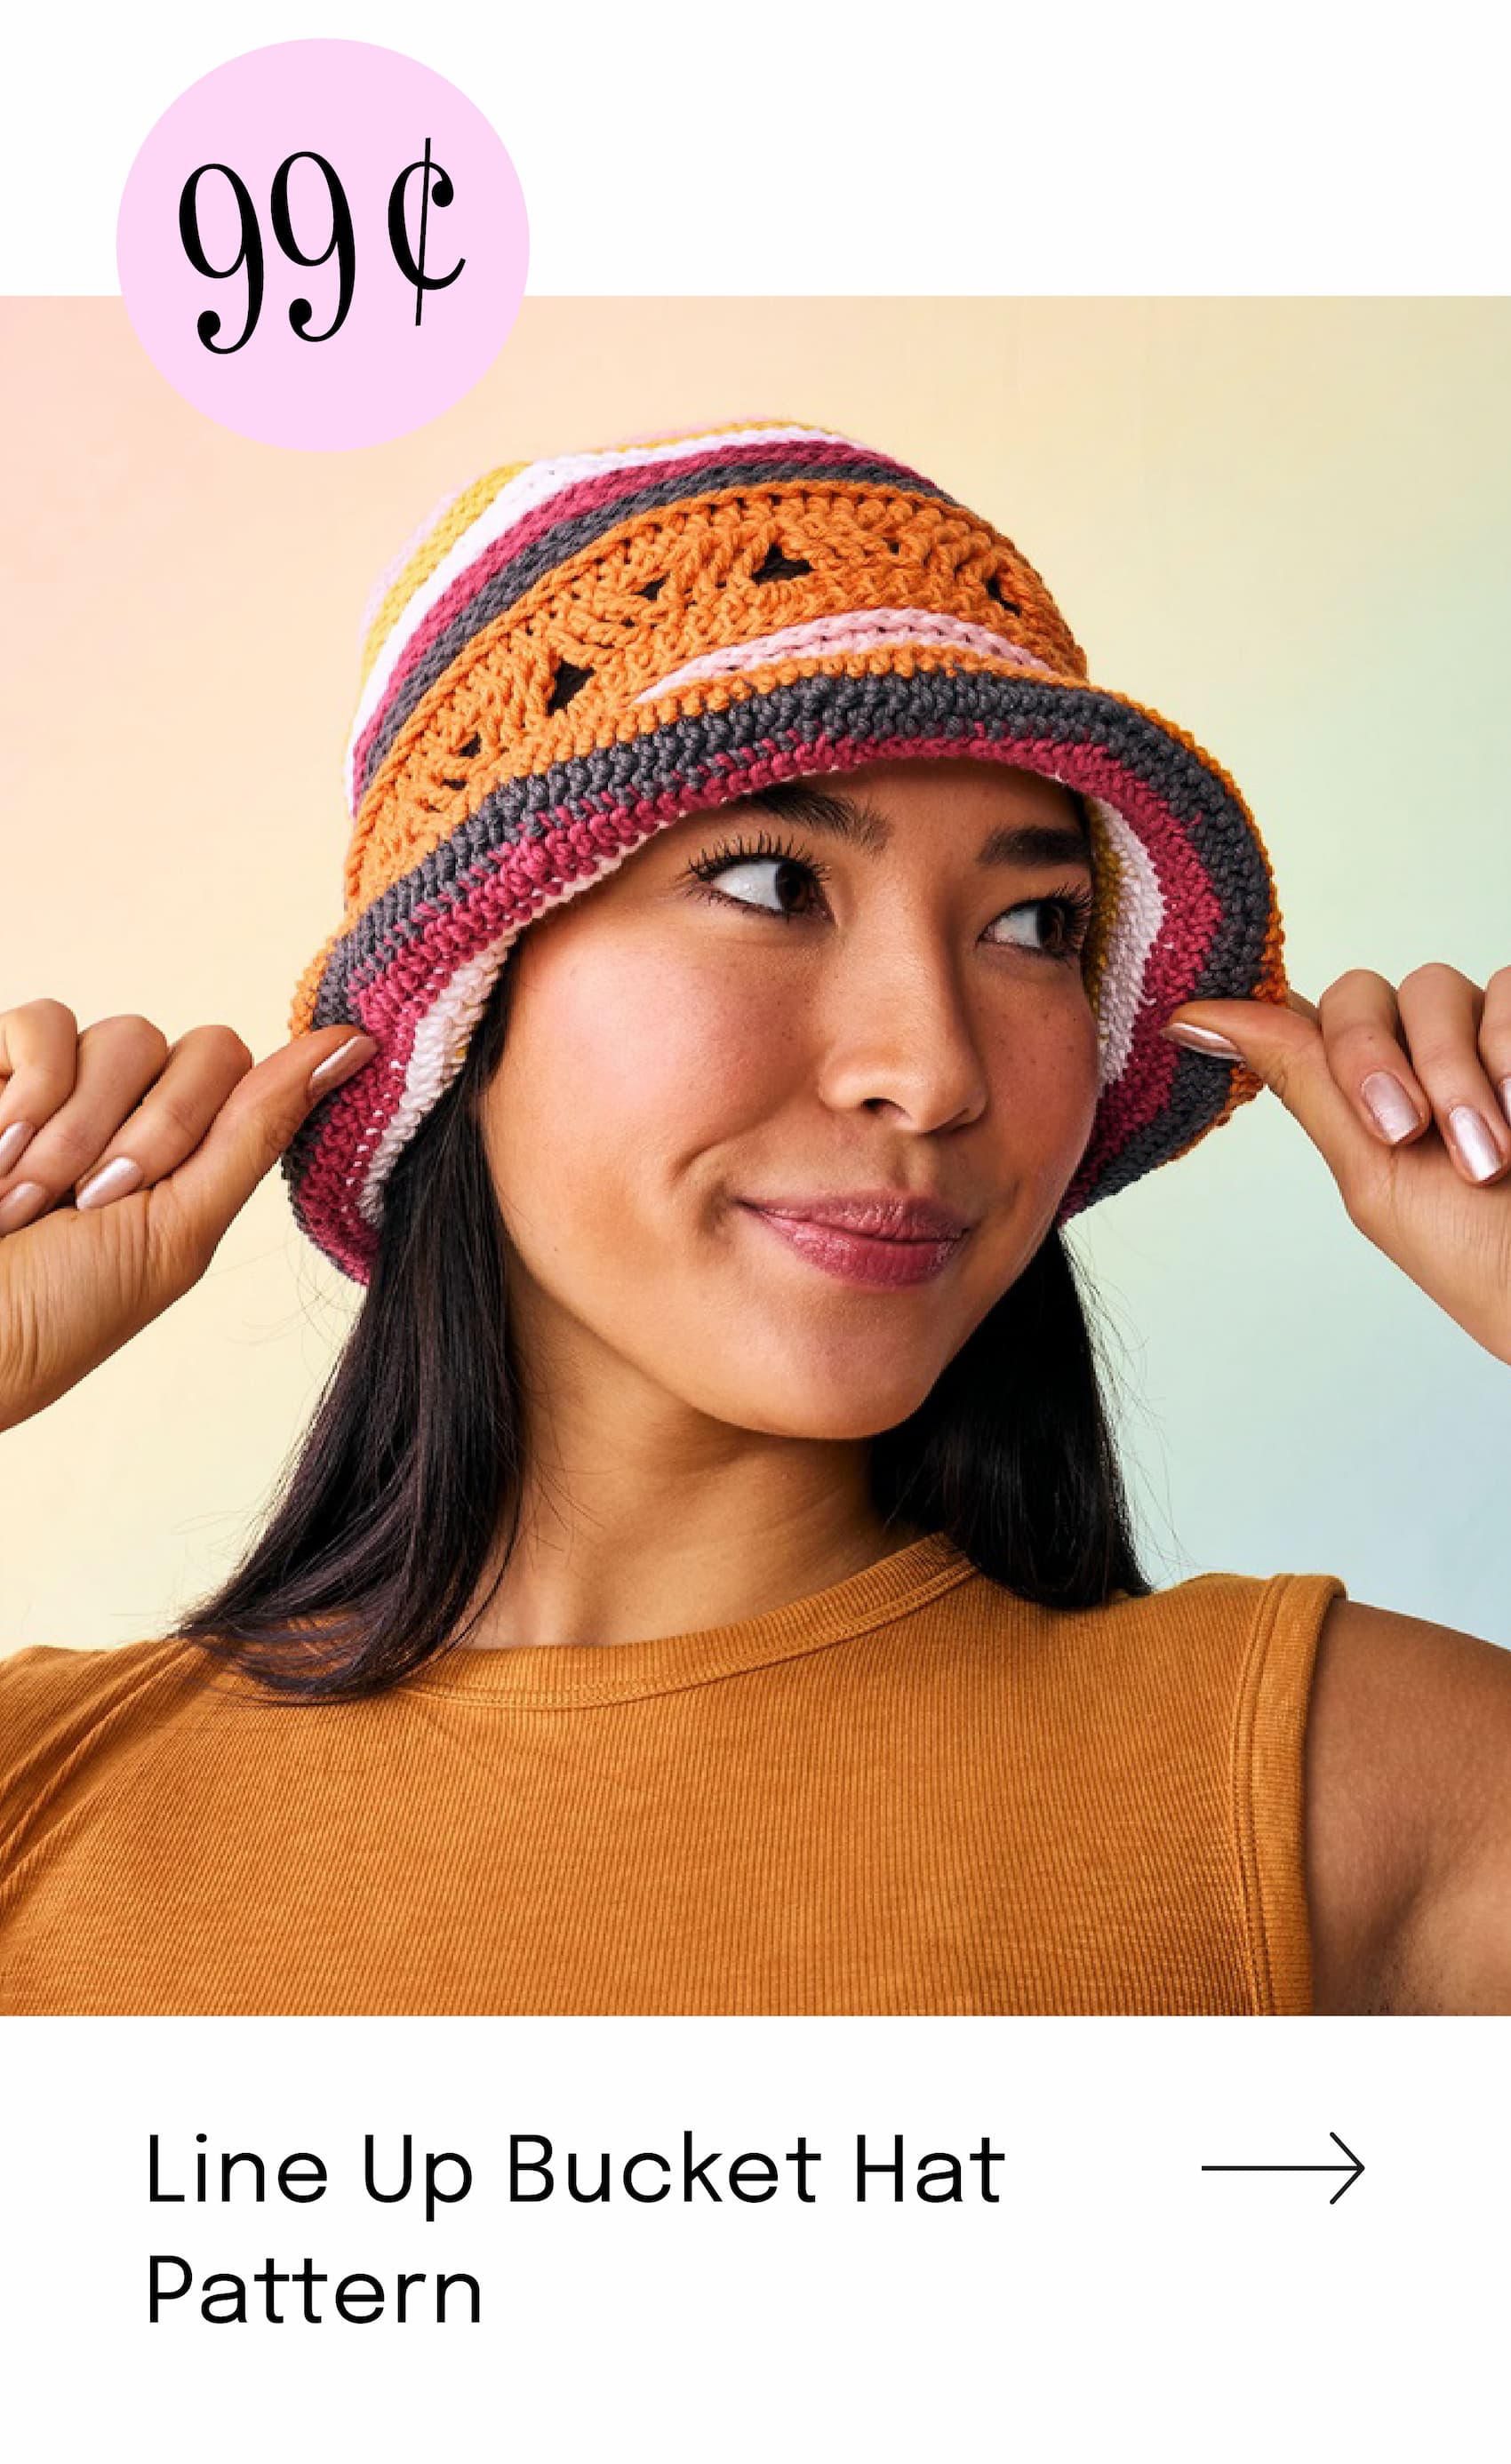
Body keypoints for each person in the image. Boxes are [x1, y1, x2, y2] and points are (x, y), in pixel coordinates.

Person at [2, 418, 1508, 2019]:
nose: (930, 1072)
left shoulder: (1354, 1795)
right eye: (776, 885)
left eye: (1031, 921)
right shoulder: (49, 1799)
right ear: (466, 1009)